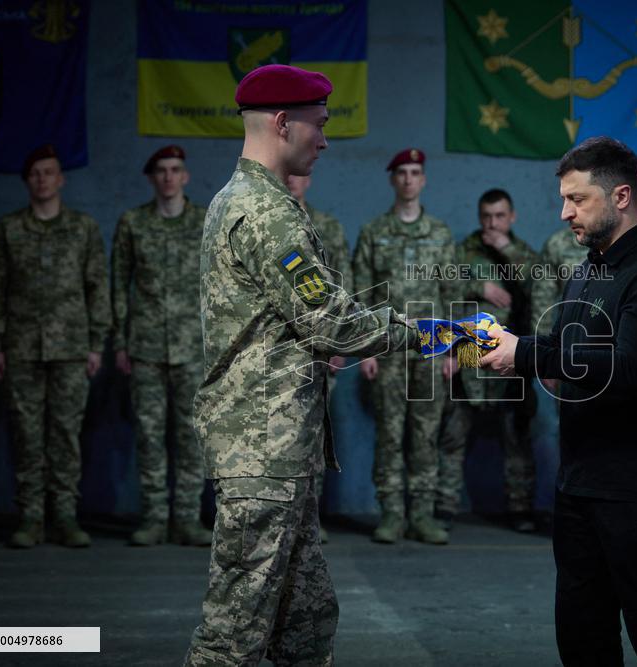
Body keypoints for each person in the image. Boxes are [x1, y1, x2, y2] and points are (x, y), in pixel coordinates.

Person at [184, 64, 419, 666]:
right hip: (265, 455)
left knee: (306, 623)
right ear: (283, 124)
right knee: (232, 636)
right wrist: (444, 338)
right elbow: (333, 322)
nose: (325, 140)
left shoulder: (239, 201)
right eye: (319, 125)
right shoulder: (267, 214)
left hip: (280, 453)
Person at [479, 137, 637, 666]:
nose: (565, 213)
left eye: (577, 199)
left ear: (622, 196)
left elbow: (626, 367)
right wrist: (515, 354)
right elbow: (568, 354)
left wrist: (527, 353)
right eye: (564, 199)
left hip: (636, 492)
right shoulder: (588, 268)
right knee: (582, 637)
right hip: (579, 485)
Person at [0, 144, 110, 549]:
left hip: (72, 348)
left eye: (49, 172)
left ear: (61, 179)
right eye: (35, 173)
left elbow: (97, 287)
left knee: (66, 434)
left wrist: (96, 344)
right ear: (27, 181)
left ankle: (65, 516)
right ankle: (31, 518)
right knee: (26, 434)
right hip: (21, 347)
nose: (42, 179)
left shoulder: (83, 228)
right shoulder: (8, 229)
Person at [352, 148, 457, 545]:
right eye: (402, 173)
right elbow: (362, 295)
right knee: (390, 434)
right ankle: (392, 514)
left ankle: (423, 515)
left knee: (426, 434)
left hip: (431, 349)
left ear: (423, 179)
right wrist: (366, 349)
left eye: (415, 172)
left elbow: (452, 293)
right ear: (393, 180)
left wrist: (452, 350)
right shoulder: (373, 233)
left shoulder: (441, 234)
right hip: (389, 348)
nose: (409, 179)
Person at [112, 145, 211, 547]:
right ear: (152, 179)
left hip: (194, 346)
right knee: (150, 434)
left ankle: (187, 518)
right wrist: (119, 340)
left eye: (175, 170)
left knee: (191, 435)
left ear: (185, 176)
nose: (169, 177)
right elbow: (119, 283)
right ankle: (154, 517)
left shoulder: (206, 221)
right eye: (161, 171)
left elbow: (221, 285)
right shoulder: (133, 223)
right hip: (146, 346)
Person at [436, 188, 539, 532]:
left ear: (512, 217)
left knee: (517, 438)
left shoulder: (522, 252)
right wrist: (479, 285)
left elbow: (540, 287)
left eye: (499, 216)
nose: (492, 223)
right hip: (469, 358)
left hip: (512, 360)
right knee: (452, 435)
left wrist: (504, 249)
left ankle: (520, 508)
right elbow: (444, 288)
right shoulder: (464, 251)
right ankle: (445, 507)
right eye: (486, 217)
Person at [286, 173, 350, 544]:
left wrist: (340, 344)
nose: (294, 180)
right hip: (278, 351)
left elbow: (345, 286)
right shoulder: (273, 223)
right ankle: (283, 519)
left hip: (320, 350)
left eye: (301, 174)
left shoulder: (326, 227)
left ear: (310, 180)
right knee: (279, 440)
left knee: (315, 438)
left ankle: (310, 518)